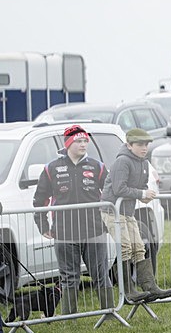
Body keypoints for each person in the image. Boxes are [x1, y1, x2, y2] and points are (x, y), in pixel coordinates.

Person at [32, 125, 114, 314]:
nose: (83, 144)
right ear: (68, 143)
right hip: (64, 233)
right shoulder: (51, 168)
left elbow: (110, 194)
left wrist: (109, 221)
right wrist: (42, 224)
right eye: (79, 141)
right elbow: (39, 199)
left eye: (85, 140)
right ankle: (69, 317)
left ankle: (110, 313)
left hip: (94, 231)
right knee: (69, 277)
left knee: (101, 274)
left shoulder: (97, 166)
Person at [101, 128, 171, 303]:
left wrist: (145, 196)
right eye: (140, 144)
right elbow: (119, 188)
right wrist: (142, 194)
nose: (144, 148)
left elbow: (138, 187)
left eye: (146, 144)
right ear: (129, 145)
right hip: (112, 211)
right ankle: (127, 291)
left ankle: (149, 287)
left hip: (128, 211)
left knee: (139, 247)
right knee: (125, 247)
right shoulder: (123, 162)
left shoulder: (142, 162)